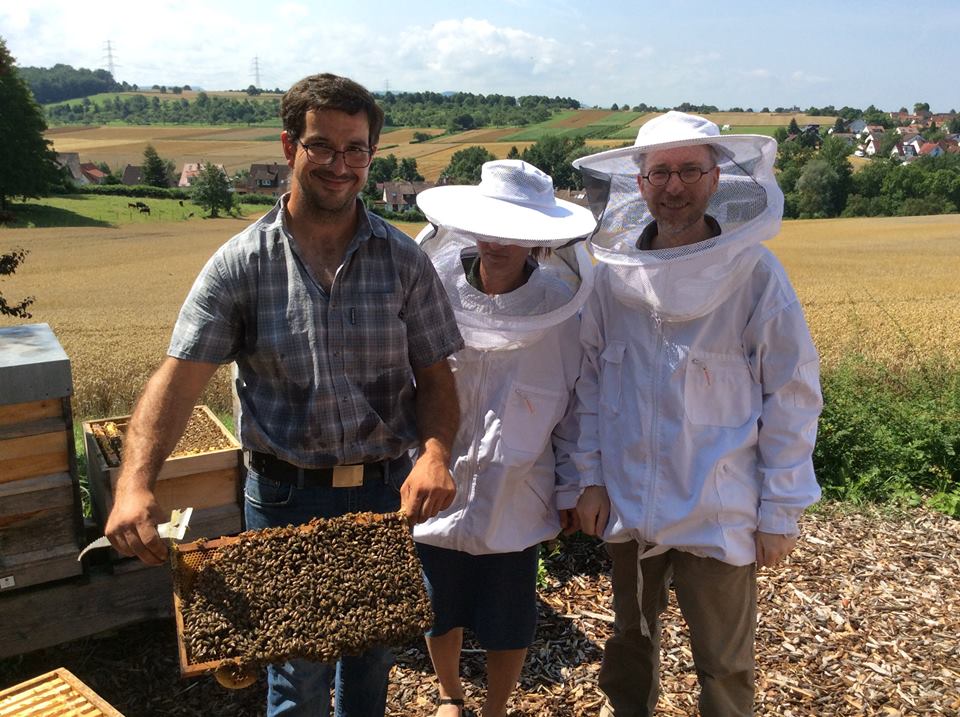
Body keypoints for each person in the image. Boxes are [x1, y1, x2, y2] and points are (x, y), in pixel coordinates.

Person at [104, 73, 464, 717]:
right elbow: (178, 380)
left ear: (371, 158)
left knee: (371, 659)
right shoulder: (242, 264)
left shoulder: (404, 260)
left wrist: (436, 454)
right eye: (322, 146)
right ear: (289, 146)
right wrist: (135, 483)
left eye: (355, 150)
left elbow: (436, 378)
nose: (339, 165)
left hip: (384, 492)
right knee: (295, 678)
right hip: (282, 494)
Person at [571, 111, 823, 716]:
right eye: (660, 172)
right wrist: (587, 478)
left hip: (722, 505)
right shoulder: (614, 280)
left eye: (690, 170)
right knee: (629, 644)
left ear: (716, 178)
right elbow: (587, 386)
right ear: (639, 181)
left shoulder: (756, 275)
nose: (674, 186)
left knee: (726, 662)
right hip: (629, 500)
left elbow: (790, 393)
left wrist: (780, 507)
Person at [411, 160, 597, 717]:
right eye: (490, 227)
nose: (498, 242)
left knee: (509, 618)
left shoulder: (561, 311)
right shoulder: (435, 291)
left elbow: (576, 408)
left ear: (539, 241)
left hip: (518, 492)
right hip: (435, 480)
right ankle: (449, 694)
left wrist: (575, 486)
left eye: (515, 232)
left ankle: (494, 707)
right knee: (436, 606)